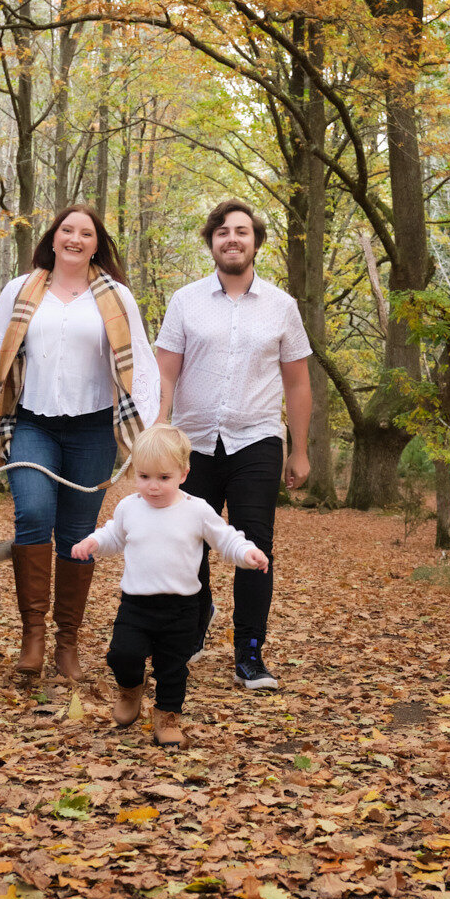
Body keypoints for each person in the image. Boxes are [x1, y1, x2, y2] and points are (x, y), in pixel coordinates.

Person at [0, 204, 159, 682]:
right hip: (31, 425)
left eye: (85, 233)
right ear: (53, 237)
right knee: (33, 513)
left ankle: (67, 641)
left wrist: (148, 429)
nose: (75, 239)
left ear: (96, 243)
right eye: (67, 230)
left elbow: (141, 360)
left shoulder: (116, 296)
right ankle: (33, 635)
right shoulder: (23, 290)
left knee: (75, 535)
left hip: (93, 430)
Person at [154, 199, 311, 692]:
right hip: (192, 441)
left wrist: (300, 449)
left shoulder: (282, 307)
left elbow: (299, 383)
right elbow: (164, 370)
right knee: (186, 540)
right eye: (222, 232)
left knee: (254, 547)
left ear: (256, 242)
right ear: (212, 243)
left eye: (241, 231)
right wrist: (159, 427)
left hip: (257, 440)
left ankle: (249, 653)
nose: (232, 239)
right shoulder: (185, 301)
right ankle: (196, 617)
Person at [71, 424, 268, 746]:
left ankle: (167, 716)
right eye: (144, 476)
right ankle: (130, 690)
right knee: (123, 654)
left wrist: (247, 553)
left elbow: (225, 538)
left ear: (183, 474)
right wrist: (93, 542)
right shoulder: (129, 507)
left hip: (181, 608)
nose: (153, 487)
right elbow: (113, 535)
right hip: (135, 604)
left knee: (172, 667)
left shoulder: (196, 510)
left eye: (164, 478)